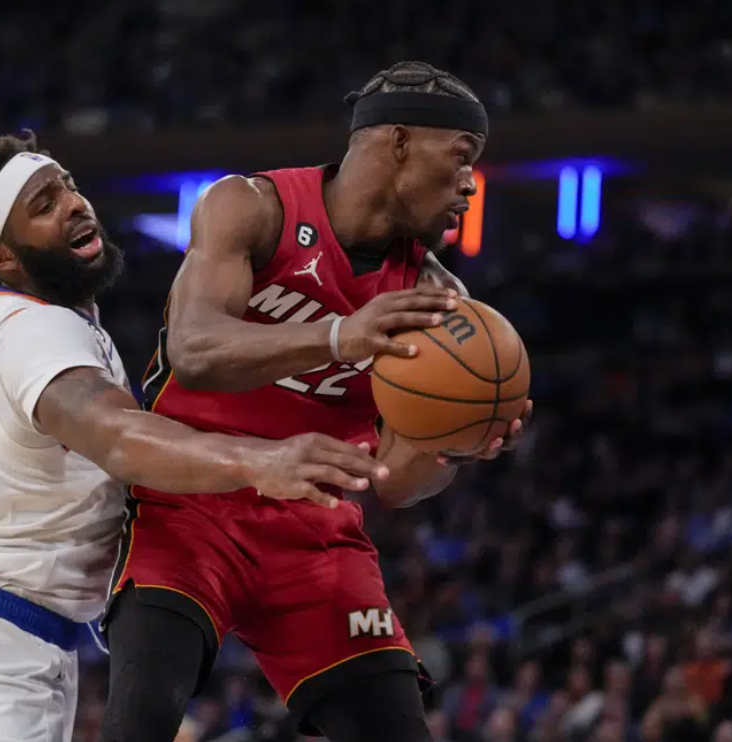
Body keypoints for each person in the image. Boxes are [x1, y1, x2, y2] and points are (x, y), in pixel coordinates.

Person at [0, 131, 390, 742]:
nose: (74, 204)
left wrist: (0, 436)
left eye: (67, 186)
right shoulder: (38, 336)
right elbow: (120, 437)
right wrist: (261, 460)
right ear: (4, 256)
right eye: (44, 206)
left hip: (2, 640)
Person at [97, 61, 535, 742]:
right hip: (189, 498)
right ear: (397, 143)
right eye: (461, 158)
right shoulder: (251, 207)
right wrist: (338, 335)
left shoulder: (437, 299)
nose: (471, 183)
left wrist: (458, 440)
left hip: (312, 534)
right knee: (141, 719)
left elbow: (392, 480)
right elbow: (194, 350)